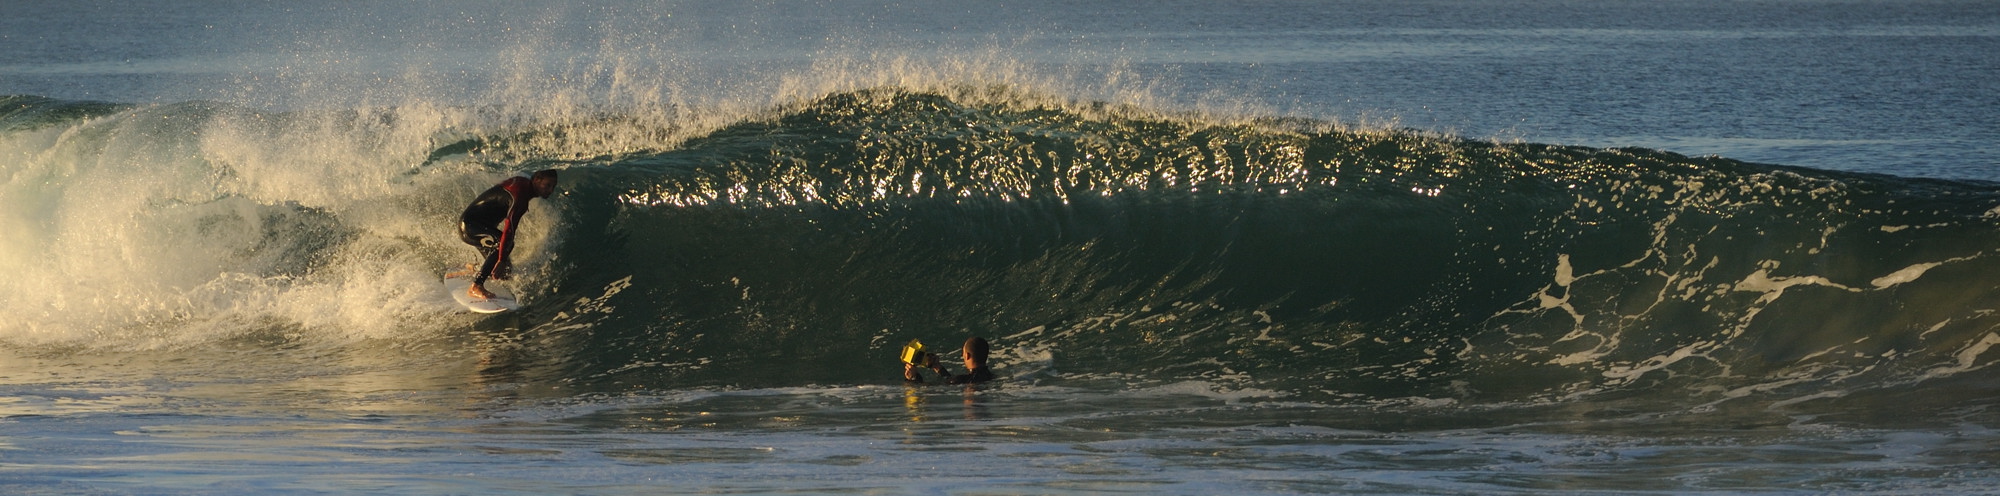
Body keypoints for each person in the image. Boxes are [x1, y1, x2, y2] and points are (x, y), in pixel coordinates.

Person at [449, 169, 558, 300]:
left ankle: (474, 268)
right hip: (470, 227)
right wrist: (501, 259)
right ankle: (476, 286)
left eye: (553, 186)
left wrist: (502, 260)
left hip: (481, 227)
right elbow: (509, 230)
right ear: (536, 180)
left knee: (505, 273)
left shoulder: (522, 183)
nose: (551, 190)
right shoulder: (520, 198)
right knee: (504, 244)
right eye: (547, 185)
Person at [902, 336, 995, 385]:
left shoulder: (963, 380)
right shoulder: (991, 377)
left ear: (967, 356)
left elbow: (924, 389)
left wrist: (913, 378)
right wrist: (937, 367)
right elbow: (952, 380)